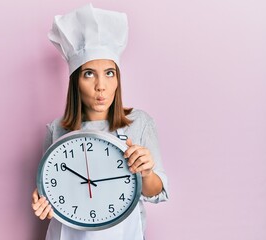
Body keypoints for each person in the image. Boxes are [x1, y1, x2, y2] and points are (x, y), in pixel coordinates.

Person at [32, 4, 169, 240]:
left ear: (117, 79)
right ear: (76, 81)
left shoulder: (139, 123)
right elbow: (54, 188)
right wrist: (44, 198)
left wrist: (146, 173)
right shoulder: (56, 129)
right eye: (89, 74)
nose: (101, 86)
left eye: (109, 73)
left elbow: (156, 192)